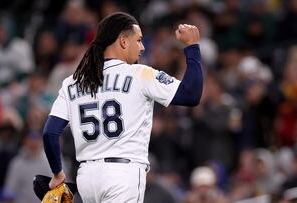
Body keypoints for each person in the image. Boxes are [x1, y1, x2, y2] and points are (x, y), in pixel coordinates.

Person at [43, 12, 203, 203]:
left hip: (86, 178)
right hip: (123, 173)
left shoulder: (73, 82)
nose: (143, 47)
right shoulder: (139, 74)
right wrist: (192, 47)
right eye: (139, 40)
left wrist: (58, 173)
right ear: (124, 42)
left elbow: (50, 133)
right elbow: (191, 94)